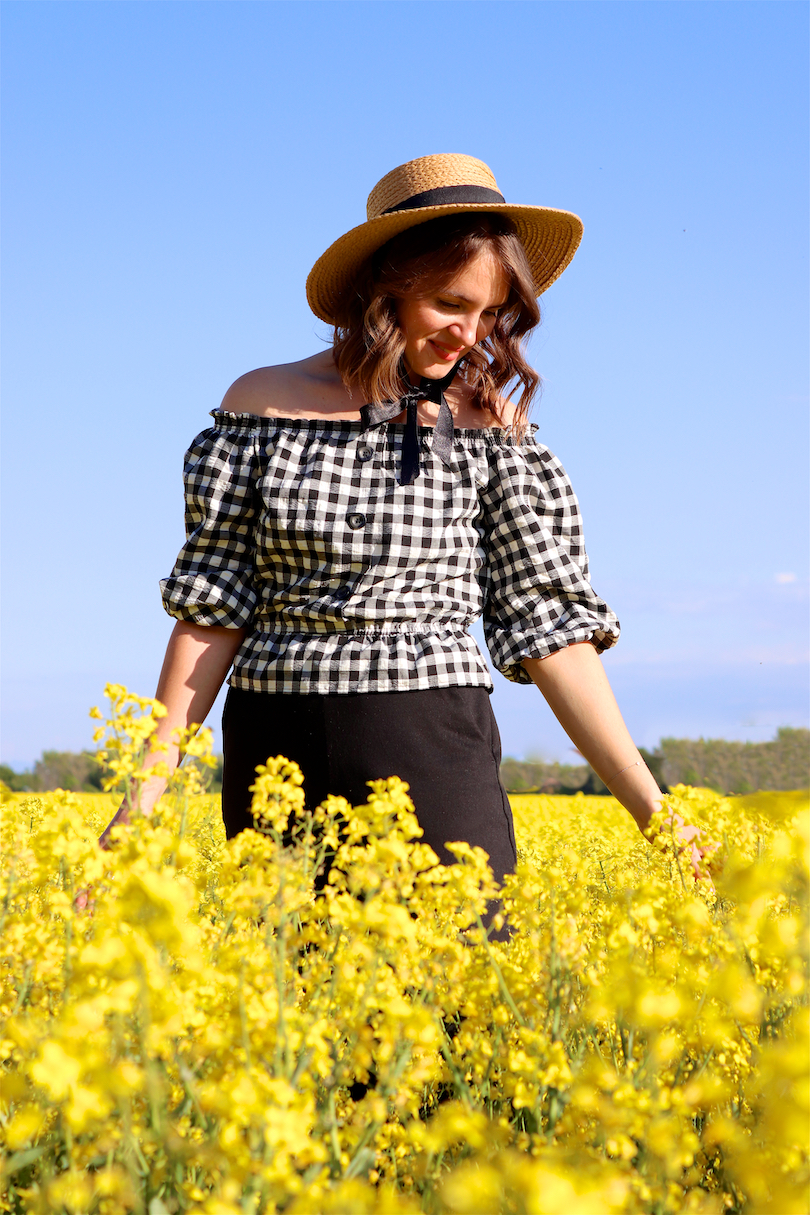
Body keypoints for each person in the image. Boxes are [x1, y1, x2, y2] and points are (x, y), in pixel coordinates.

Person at [99, 153, 707, 890]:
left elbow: (552, 632)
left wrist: (656, 815)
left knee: (455, 998)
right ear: (386, 285)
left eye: (490, 313)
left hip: (430, 745)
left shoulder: (492, 431)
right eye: (452, 303)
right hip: (274, 757)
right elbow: (210, 616)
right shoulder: (259, 406)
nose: (471, 333)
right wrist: (135, 815)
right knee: (290, 1003)